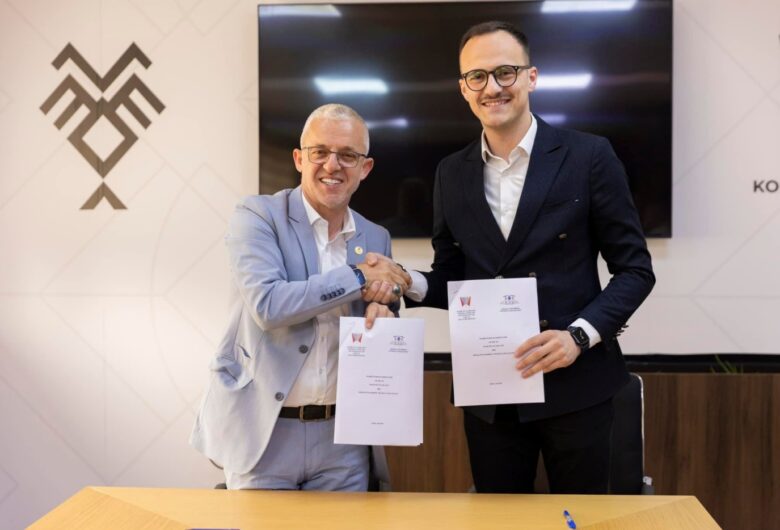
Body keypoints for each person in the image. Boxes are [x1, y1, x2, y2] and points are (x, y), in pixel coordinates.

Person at [402, 21, 656, 494]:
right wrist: (405, 281)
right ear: (463, 88)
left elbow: (635, 271)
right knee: (499, 520)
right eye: (477, 76)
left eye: (505, 72)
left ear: (531, 77)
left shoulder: (589, 156)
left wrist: (579, 336)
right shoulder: (450, 173)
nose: (492, 87)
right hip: (490, 391)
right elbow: (454, 276)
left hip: (577, 385)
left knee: (581, 521)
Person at [191, 103, 411, 491]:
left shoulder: (376, 237)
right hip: (265, 433)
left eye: (347, 155)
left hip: (343, 441)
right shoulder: (257, 216)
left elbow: (383, 305)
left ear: (365, 168)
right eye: (320, 152)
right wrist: (358, 275)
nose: (332, 165)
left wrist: (385, 308)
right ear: (299, 159)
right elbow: (269, 305)